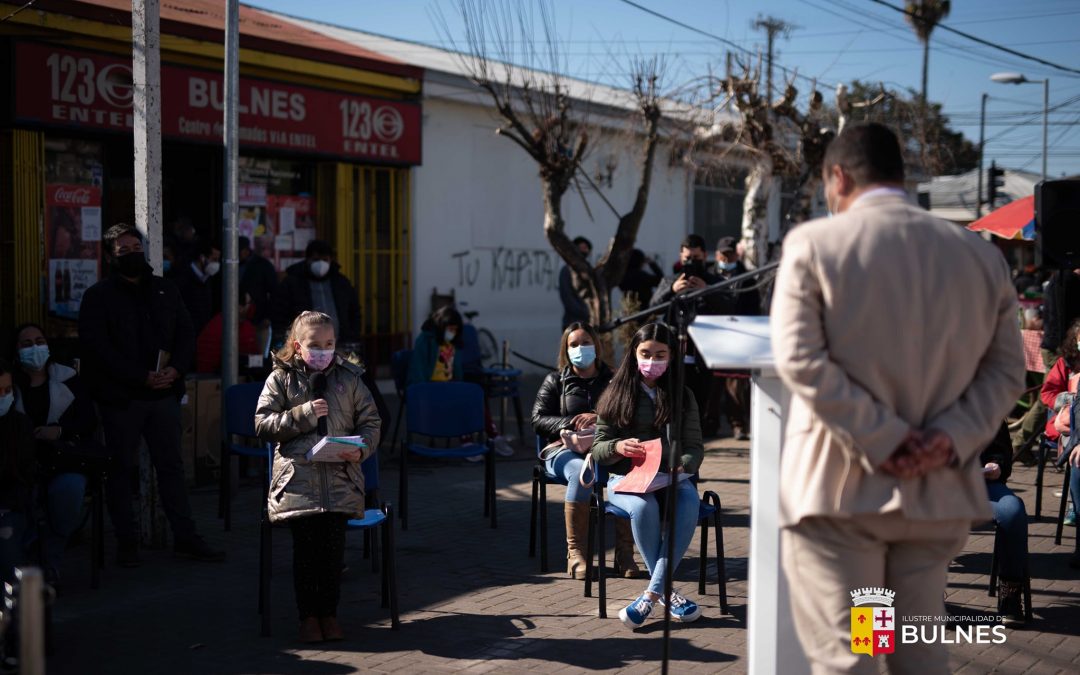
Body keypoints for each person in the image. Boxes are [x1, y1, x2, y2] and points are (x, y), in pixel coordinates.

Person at [770, 123, 1025, 673]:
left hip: (843, 497)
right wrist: (947, 439)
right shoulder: (978, 257)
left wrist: (885, 439)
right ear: (900, 176)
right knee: (917, 653)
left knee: (855, 656)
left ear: (838, 177)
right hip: (931, 499)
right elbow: (1007, 372)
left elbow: (799, 359)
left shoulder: (815, 244)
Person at [78, 223, 224, 567]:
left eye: (135, 247)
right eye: (123, 250)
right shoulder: (98, 297)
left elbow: (186, 334)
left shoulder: (165, 289)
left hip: (163, 396)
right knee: (120, 471)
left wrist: (176, 371)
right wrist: (139, 376)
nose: (132, 254)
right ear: (111, 257)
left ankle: (186, 538)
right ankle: (127, 544)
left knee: (171, 468)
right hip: (122, 399)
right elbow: (97, 349)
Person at [254, 311, 380, 643]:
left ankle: (329, 614)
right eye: (315, 345)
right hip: (298, 483)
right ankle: (308, 617)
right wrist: (303, 414)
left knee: (333, 553)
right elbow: (263, 424)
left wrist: (361, 448)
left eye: (329, 344)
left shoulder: (350, 379)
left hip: (340, 481)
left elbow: (371, 422)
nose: (323, 351)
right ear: (298, 347)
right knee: (307, 552)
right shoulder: (281, 379)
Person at [593, 323, 704, 630]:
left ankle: (653, 593)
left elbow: (694, 447)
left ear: (672, 357)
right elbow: (599, 448)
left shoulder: (682, 395)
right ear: (634, 354)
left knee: (689, 500)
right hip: (625, 479)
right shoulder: (616, 392)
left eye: (660, 354)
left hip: (669, 477)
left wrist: (682, 465)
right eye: (645, 353)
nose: (652, 361)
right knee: (644, 508)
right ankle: (666, 592)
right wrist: (618, 446)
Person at [531, 322, 644, 579]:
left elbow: (629, 414)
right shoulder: (555, 380)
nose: (580, 348)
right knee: (582, 472)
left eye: (585, 342)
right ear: (565, 349)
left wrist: (598, 417)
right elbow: (537, 419)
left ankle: (625, 553)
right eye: (574, 344)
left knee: (625, 471)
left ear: (597, 345)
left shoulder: (614, 378)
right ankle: (576, 554)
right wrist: (570, 422)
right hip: (562, 450)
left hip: (603, 447)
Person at [11, 324, 99, 585]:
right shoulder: (9, 384)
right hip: (21, 464)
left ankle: (50, 563)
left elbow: (87, 422)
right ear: (16, 350)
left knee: (68, 491)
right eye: (26, 343)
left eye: (39, 341)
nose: (35, 347)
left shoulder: (68, 377)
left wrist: (59, 431)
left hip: (64, 461)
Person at [407, 306, 513, 456]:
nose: (452, 333)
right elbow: (419, 372)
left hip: (450, 385)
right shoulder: (425, 341)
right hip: (430, 389)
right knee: (461, 400)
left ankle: (493, 436)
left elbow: (456, 372)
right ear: (441, 326)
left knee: (474, 396)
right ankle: (467, 441)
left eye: (455, 329)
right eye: (450, 328)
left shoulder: (453, 343)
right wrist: (425, 394)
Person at [649, 234, 721, 429]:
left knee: (700, 402)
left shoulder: (715, 281)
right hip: (674, 353)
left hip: (702, 354)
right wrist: (672, 290)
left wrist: (707, 290)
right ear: (680, 257)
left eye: (696, 258)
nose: (691, 263)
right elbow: (654, 307)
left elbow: (728, 307)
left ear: (705, 256)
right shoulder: (670, 280)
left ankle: (698, 436)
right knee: (672, 401)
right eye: (687, 258)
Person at [705, 236, 761, 440]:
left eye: (730, 254)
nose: (726, 258)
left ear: (737, 255)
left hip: (738, 336)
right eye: (723, 254)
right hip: (711, 336)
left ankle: (737, 424)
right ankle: (710, 423)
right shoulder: (708, 275)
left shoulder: (748, 278)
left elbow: (754, 309)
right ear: (717, 254)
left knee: (735, 384)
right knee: (711, 385)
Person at [979, 421, 1029, 625]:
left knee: (1012, 511)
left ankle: (1010, 594)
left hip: (981, 486)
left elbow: (1000, 452)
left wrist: (996, 465)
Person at [271, 240, 361, 346]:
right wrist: (284, 336)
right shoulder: (292, 282)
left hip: (340, 344)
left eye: (325, 260)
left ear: (331, 260)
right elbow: (279, 312)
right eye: (316, 260)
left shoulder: (341, 283)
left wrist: (352, 334)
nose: (321, 264)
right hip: (304, 345)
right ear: (308, 260)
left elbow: (354, 311)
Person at [195, 290, 261, 374]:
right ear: (239, 306)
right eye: (249, 303)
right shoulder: (220, 326)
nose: (251, 307)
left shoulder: (244, 326)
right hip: (215, 375)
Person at [174, 239, 222, 335]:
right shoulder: (182, 279)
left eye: (218, 260)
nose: (216, 264)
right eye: (214, 259)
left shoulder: (210, 279)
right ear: (202, 258)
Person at [238, 235, 279, 328]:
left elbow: (274, 293)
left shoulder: (263, 265)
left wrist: (268, 317)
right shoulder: (232, 265)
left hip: (257, 318)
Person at [558, 236, 593, 329]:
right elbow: (567, 297)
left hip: (590, 323)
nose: (583, 251)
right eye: (580, 248)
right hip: (572, 322)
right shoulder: (567, 271)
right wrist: (585, 312)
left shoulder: (591, 271)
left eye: (586, 248)